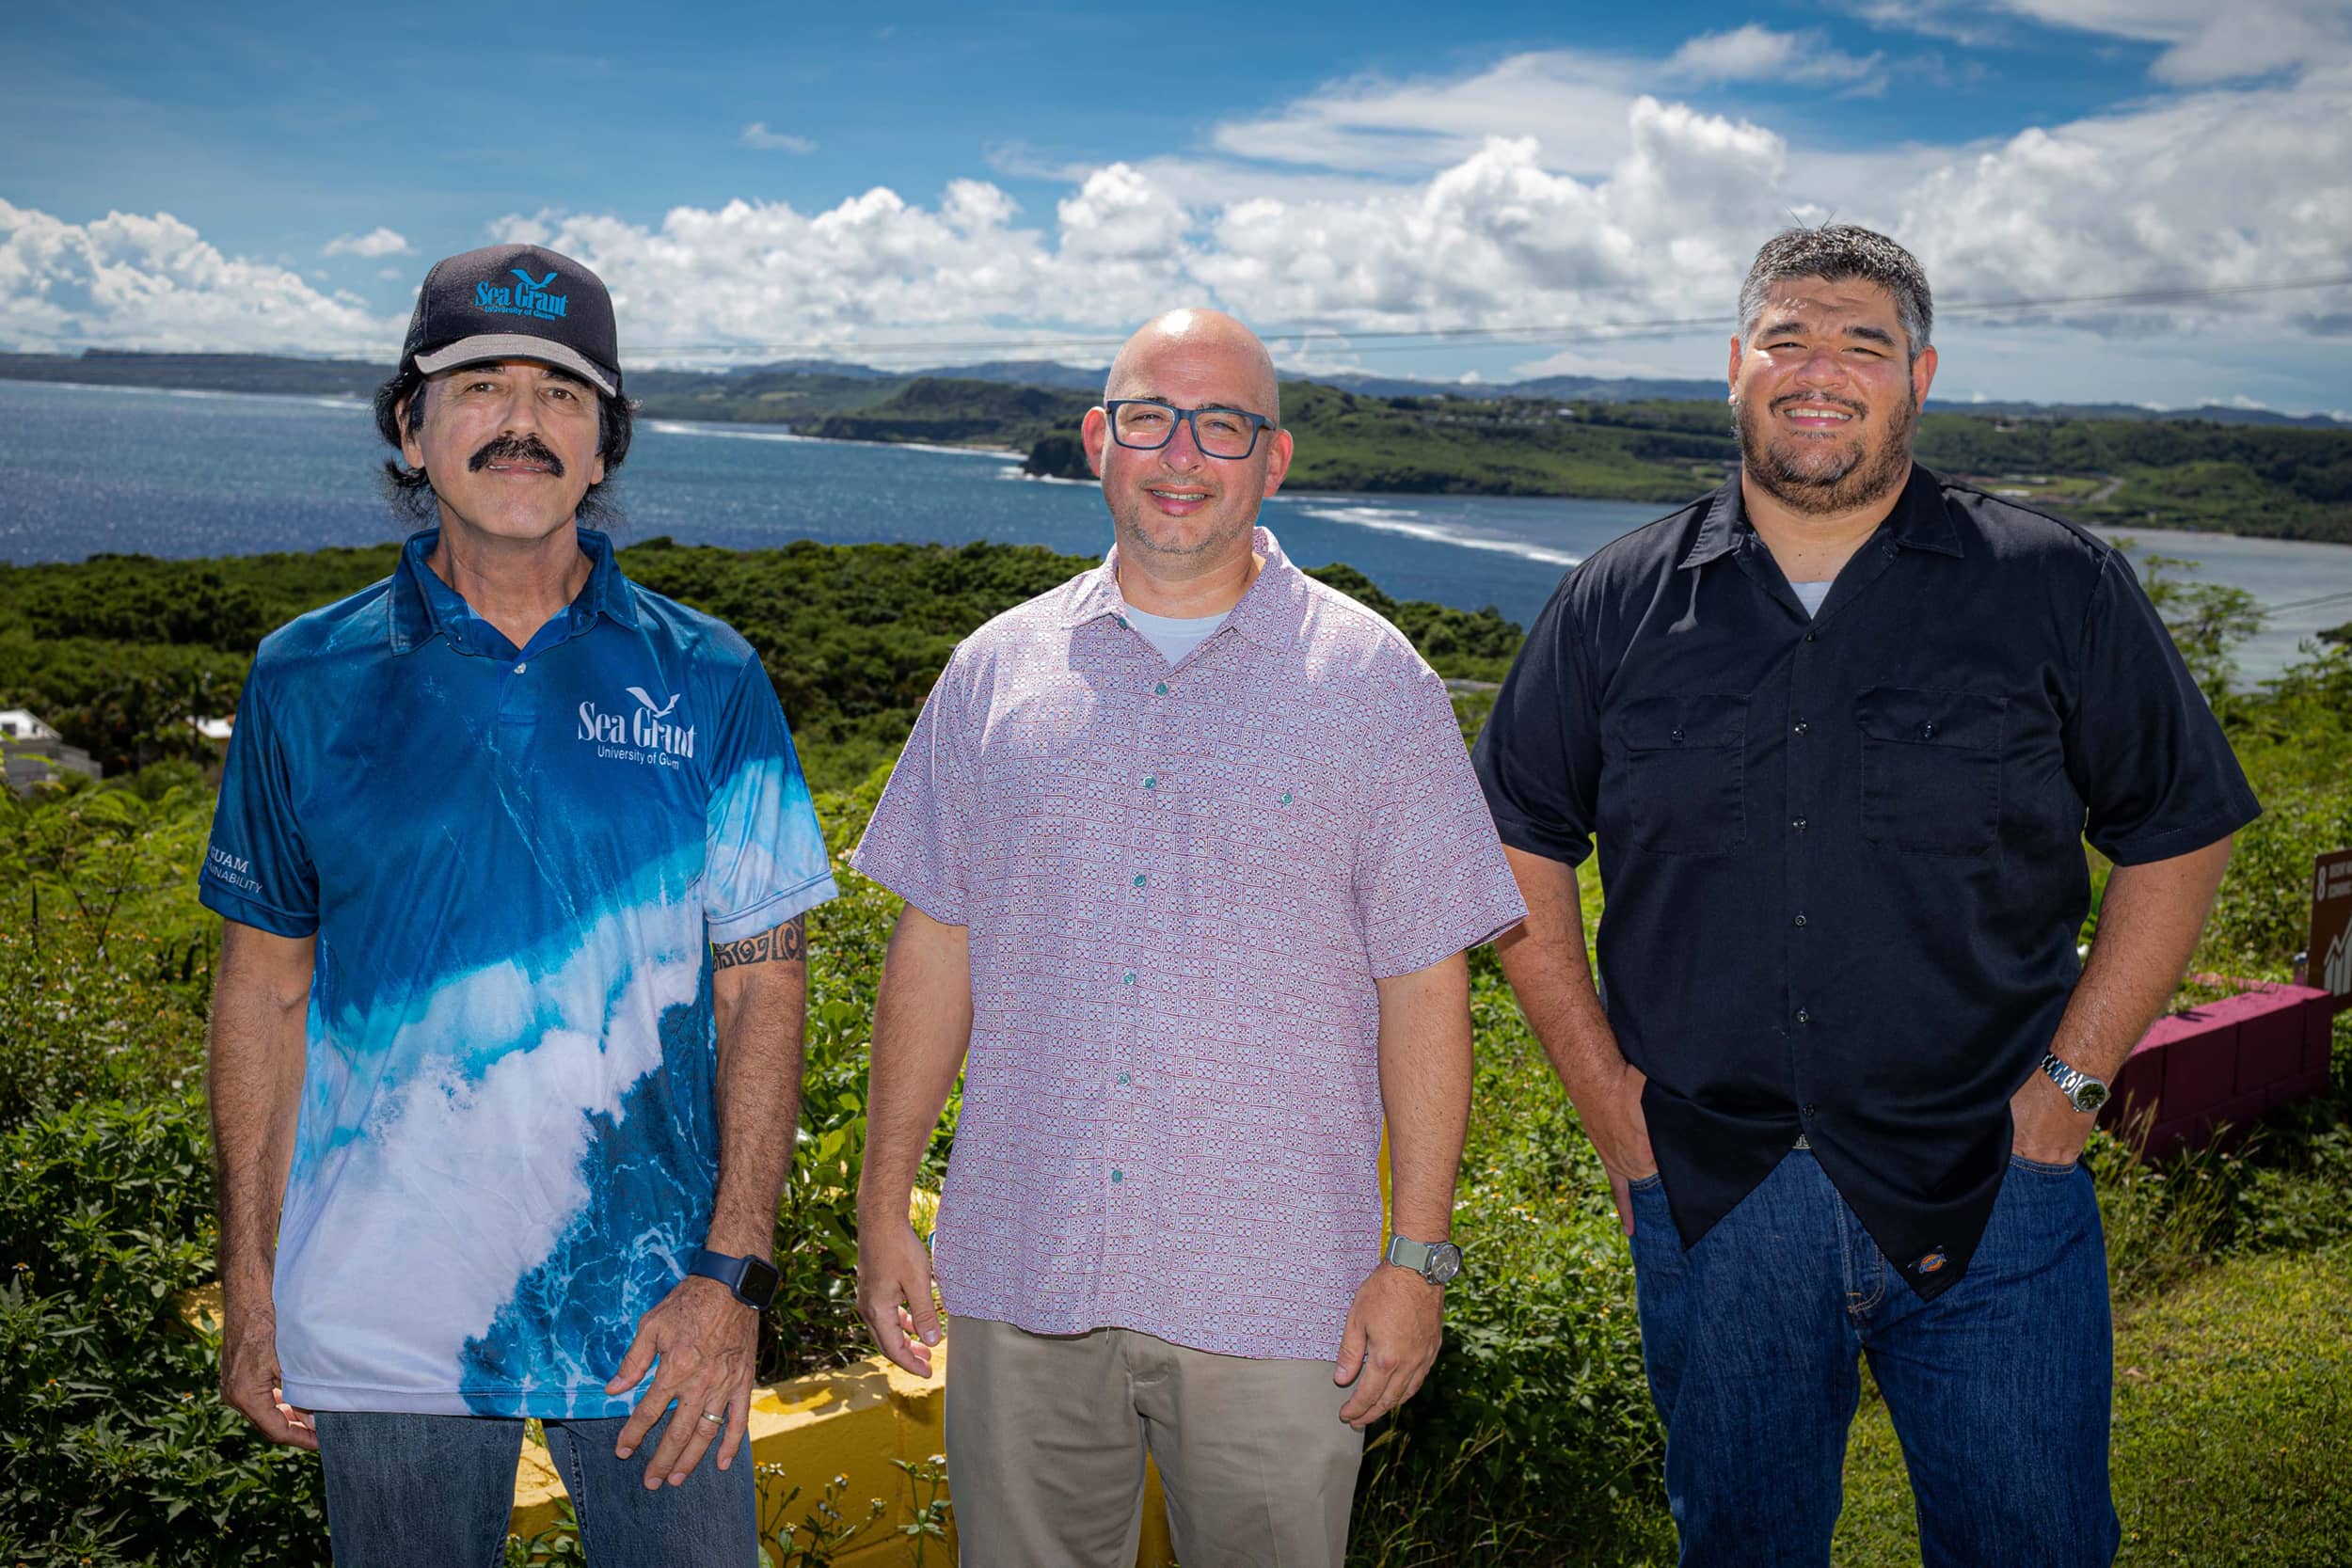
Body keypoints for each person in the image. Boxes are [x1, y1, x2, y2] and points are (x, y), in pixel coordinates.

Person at [1473, 224, 2259, 1568]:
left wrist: (2072, 1090)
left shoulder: (2052, 583)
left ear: (1921, 375)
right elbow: (1512, 849)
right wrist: (1612, 1110)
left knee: (2034, 1546)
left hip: (1998, 1183)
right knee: (1742, 1548)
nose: (1819, 370)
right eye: (1788, 338)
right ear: (1735, 366)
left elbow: (2178, 832)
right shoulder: (1615, 602)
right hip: (1714, 1198)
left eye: (1864, 345)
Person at [849, 308, 1526, 1566]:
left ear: (1273, 460)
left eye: (1224, 425)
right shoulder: (994, 673)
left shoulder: (1376, 685)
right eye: (1153, 418)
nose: (1182, 454)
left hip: (1279, 1298)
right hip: (1022, 1269)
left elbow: (1425, 982)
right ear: (1100, 442)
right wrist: (884, 1201)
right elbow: (934, 944)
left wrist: (1418, 1258)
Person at [201, 243, 837, 1566]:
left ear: (604, 445)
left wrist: (735, 1276)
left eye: (561, 396)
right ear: (409, 426)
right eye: (479, 386)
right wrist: (251, 1286)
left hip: (660, 1300)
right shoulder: (301, 680)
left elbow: (762, 977)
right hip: (382, 1307)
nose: (521, 424)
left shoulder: (711, 677)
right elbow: (261, 986)